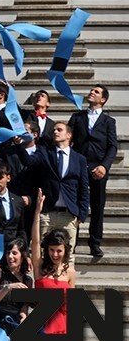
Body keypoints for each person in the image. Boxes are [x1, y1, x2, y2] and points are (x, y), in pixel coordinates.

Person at [17, 123, 90, 257]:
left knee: (68, 256)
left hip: (69, 214)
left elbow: (83, 188)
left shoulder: (79, 159)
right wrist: (19, 145)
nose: (55, 132)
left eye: (59, 130)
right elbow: (28, 161)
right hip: (47, 213)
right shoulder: (45, 152)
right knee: (44, 254)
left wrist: (81, 214)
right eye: (54, 130)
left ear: (69, 135)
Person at [30, 191, 77, 341]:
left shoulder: (70, 272)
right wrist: (38, 212)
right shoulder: (40, 267)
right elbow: (34, 242)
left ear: (65, 250)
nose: (55, 254)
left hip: (62, 327)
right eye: (51, 250)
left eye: (58, 250)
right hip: (41, 325)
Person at [68, 84, 117, 257]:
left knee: (97, 206)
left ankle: (95, 243)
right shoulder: (77, 117)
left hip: (98, 168)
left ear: (103, 99)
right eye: (91, 90)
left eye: (96, 92)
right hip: (79, 166)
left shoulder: (109, 121)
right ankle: (71, 242)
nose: (91, 92)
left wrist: (104, 166)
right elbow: (68, 139)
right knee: (75, 205)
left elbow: (112, 146)